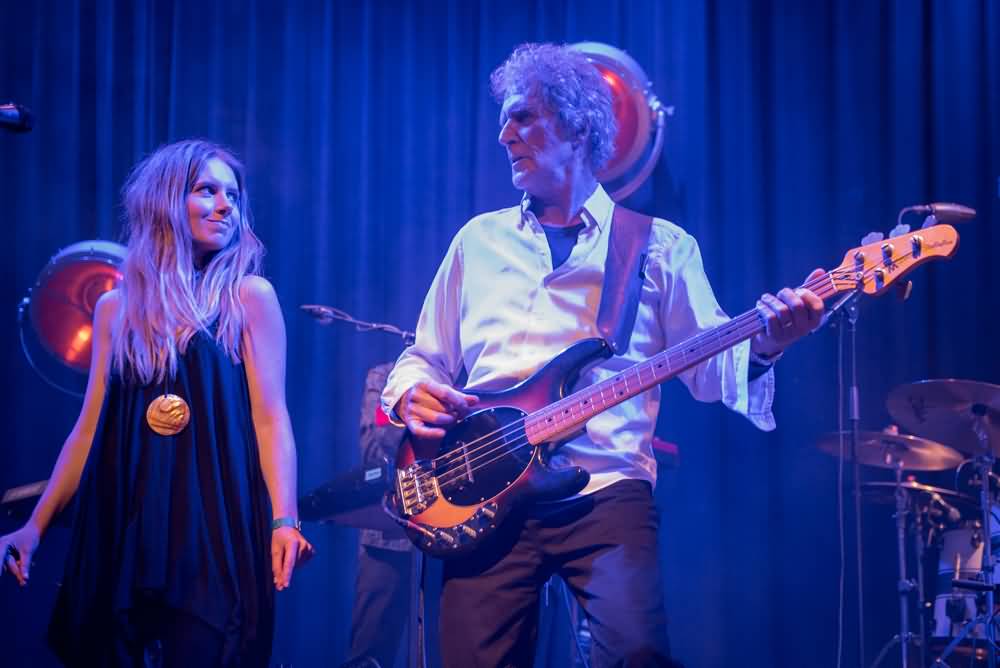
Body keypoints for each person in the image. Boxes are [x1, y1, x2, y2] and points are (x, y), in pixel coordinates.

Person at [380, 43, 825, 668]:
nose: (504, 136)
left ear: (578, 126)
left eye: (523, 117)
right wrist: (411, 393)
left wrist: (771, 340)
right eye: (504, 121)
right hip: (481, 486)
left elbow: (709, 367)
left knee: (638, 655)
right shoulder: (477, 241)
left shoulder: (660, 247)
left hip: (605, 490)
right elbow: (424, 356)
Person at [0, 139, 314, 667]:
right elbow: (88, 429)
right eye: (207, 190)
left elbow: (270, 419)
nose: (225, 206)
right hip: (127, 519)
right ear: (166, 200)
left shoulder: (248, 297)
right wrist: (35, 525)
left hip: (213, 524)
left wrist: (286, 520)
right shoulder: (115, 309)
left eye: (233, 195)